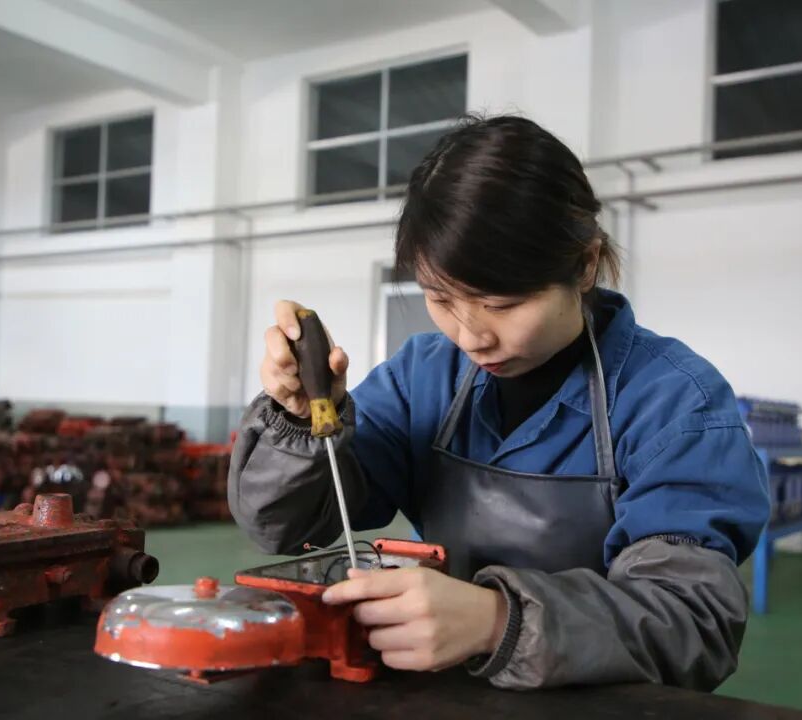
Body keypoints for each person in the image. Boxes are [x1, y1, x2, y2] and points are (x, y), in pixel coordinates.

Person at [228, 115, 770, 691]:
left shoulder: (674, 404)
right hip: (442, 690)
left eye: (501, 305)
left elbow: (692, 622)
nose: (471, 337)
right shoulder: (422, 378)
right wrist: (298, 422)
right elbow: (289, 528)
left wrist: (498, 622)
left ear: (585, 264)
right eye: (440, 299)